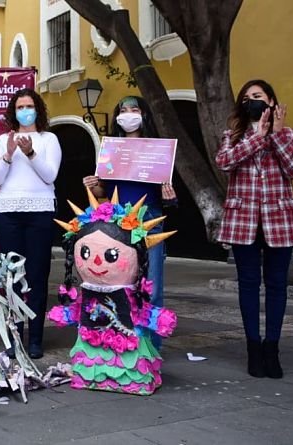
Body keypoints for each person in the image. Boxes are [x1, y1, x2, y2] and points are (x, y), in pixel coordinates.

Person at [215, 79, 293, 379]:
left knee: (277, 286)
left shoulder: (290, 135)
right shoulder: (233, 135)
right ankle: (253, 348)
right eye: (247, 97)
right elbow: (225, 163)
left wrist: (276, 136)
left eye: (258, 96)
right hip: (244, 221)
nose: (252, 100)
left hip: (279, 220)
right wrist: (258, 137)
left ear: (271, 101)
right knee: (249, 284)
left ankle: (272, 348)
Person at [47, 188, 176, 395]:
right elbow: (78, 309)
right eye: (85, 253)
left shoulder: (132, 291)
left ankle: (129, 381)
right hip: (92, 331)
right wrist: (65, 313)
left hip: (125, 332)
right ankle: (93, 377)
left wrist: (158, 319)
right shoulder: (88, 288)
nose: (96, 261)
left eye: (112, 255)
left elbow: (141, 312)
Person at [82, 96, 177, 349]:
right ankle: (121, 342)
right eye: (123, 110)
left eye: (134, 109)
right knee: (120, 285)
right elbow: (103, 192)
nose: (128, 114)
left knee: (152, 288)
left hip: (150, 223)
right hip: (117, 226)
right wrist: (94, 186)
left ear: (144, 115)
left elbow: (168, 195)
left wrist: (171, 197)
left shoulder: (158, 151)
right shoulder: (111, 149)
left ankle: (151, 349)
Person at [0, 88, 61, 359]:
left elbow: (49, 175)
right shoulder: (2, 140)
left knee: (38, 275)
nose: (25, 111)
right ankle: (14, 335)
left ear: (37, 109)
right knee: (12, 277)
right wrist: (8, 155)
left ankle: (36, 339)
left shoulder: (49, 139)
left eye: (29, 106)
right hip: (8, 213)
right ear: (13, 111)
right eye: (20, 107)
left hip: (40, 211)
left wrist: (31, 154)